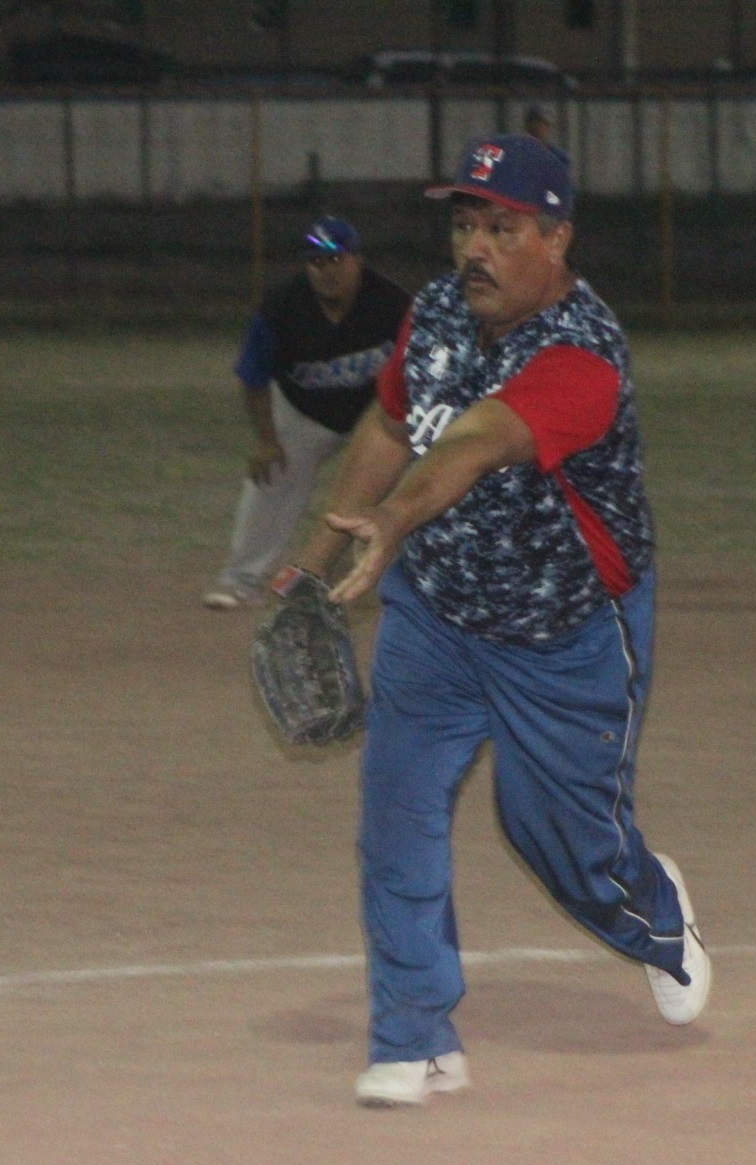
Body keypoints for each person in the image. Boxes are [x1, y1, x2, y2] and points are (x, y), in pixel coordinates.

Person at [280, 134, 712, 1108]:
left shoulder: (582, 354)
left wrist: (392, 519)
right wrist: (309, 562)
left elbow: (474, 442)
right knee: (396, 811)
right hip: (435, 610)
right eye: (464, 223)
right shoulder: (433, 311)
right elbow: (395, 422)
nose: (473, 246)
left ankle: (649, 906)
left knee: (554, 833)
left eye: (501, 227)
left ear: (556, 238)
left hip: (566, 630)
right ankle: (415, 1033)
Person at [201, 217, 412, 610]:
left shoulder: (393, 304)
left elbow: (420, 367)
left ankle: (418, 584)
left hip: (376, 414)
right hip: (303, 413)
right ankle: (241, 579)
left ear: (357, 261)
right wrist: (267, 440)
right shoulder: (281, 309)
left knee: (430, 475)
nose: (328, 270)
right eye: (317, 261)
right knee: (272, 476)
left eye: (337, 260)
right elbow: (254, 377)